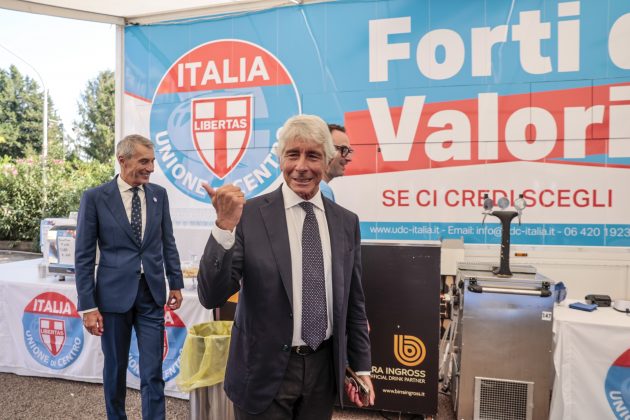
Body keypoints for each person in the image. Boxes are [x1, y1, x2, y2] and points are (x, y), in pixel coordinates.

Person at [197, 114, 374, 419]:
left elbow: (354, 302)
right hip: (261, 373)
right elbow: (211, 296)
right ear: (280, 160)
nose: (301, 166)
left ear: (327, 160)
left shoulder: (346, 222)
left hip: (322, 374)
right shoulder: (248, 216)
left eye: (313, 156)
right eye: (292, 154)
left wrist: (361, 367)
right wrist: (224, 227)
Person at [75, 134, 184, 420]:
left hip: (151, 294)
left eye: (152, 162)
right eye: (144, 161)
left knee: (153, 370)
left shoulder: (159, 195)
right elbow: (83, 256)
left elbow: (167, 241)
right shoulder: (95, 198)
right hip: (112, 298)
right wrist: (88, 306)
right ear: (122, 160)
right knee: (115, 368)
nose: (151, 168)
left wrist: (175, 282)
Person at [319, 123, 353, 201]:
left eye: (349, 151)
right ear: (325, 149)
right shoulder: (321, 191)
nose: (349, 158)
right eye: (343, 150)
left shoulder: (320, 190)